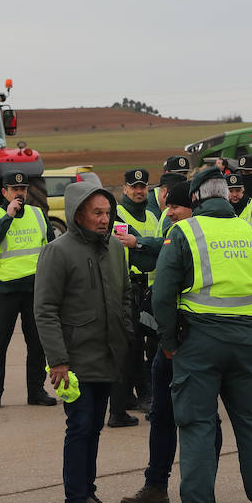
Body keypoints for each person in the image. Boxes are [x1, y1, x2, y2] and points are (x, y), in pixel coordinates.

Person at [151, 168, 252, 503]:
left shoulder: (184, 233)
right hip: (247, 344)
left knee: (196, 428)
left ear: (195, 198)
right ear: (229, 196)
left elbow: (163, 294)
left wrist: (169, 343)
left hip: (198, 343)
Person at [34, 180, 133, 503]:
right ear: (79, 215)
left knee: (93, 428)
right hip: (74, 359)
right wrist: (57, 360)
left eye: (107, 212)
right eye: (97, 213)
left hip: (107, 355)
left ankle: (88, 494)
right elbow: (44, 309)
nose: (105, 219)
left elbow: (124, 297)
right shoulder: (58, 251)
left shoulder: (117, 250)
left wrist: (126, 339)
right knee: (78, 426)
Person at [120, 180, 213, 503]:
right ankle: (156, 486)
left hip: (195, 343)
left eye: (175, 206)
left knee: (203, 419)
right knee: (161, 415)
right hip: (171, 343)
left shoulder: (198, 236)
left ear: (193, 206)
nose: (168, 211)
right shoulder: (177, 233)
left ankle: (202, 491)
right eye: (167, 205)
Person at [0, 170, 56, 410]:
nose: (20, 193)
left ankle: (36, 391)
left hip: (35, 290)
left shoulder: (38, 215)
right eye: (14, 190)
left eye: (23, 189)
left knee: (37, 344)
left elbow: (52, 248)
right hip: (5, 290)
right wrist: (8, 217)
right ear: (4, 192)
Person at [110, 168, 163, 426]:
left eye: (143, 187)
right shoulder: (118, 216)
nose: (140, 191)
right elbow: (143, 252)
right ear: (125, 189)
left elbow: (158, 249)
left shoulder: (154, 215)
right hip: (128, 287)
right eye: (134, 187)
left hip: (149, 287)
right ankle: (128, 400)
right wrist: (149, 246)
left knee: (150, 345)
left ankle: (142, 395)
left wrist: (143, 244)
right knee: (130, 347)